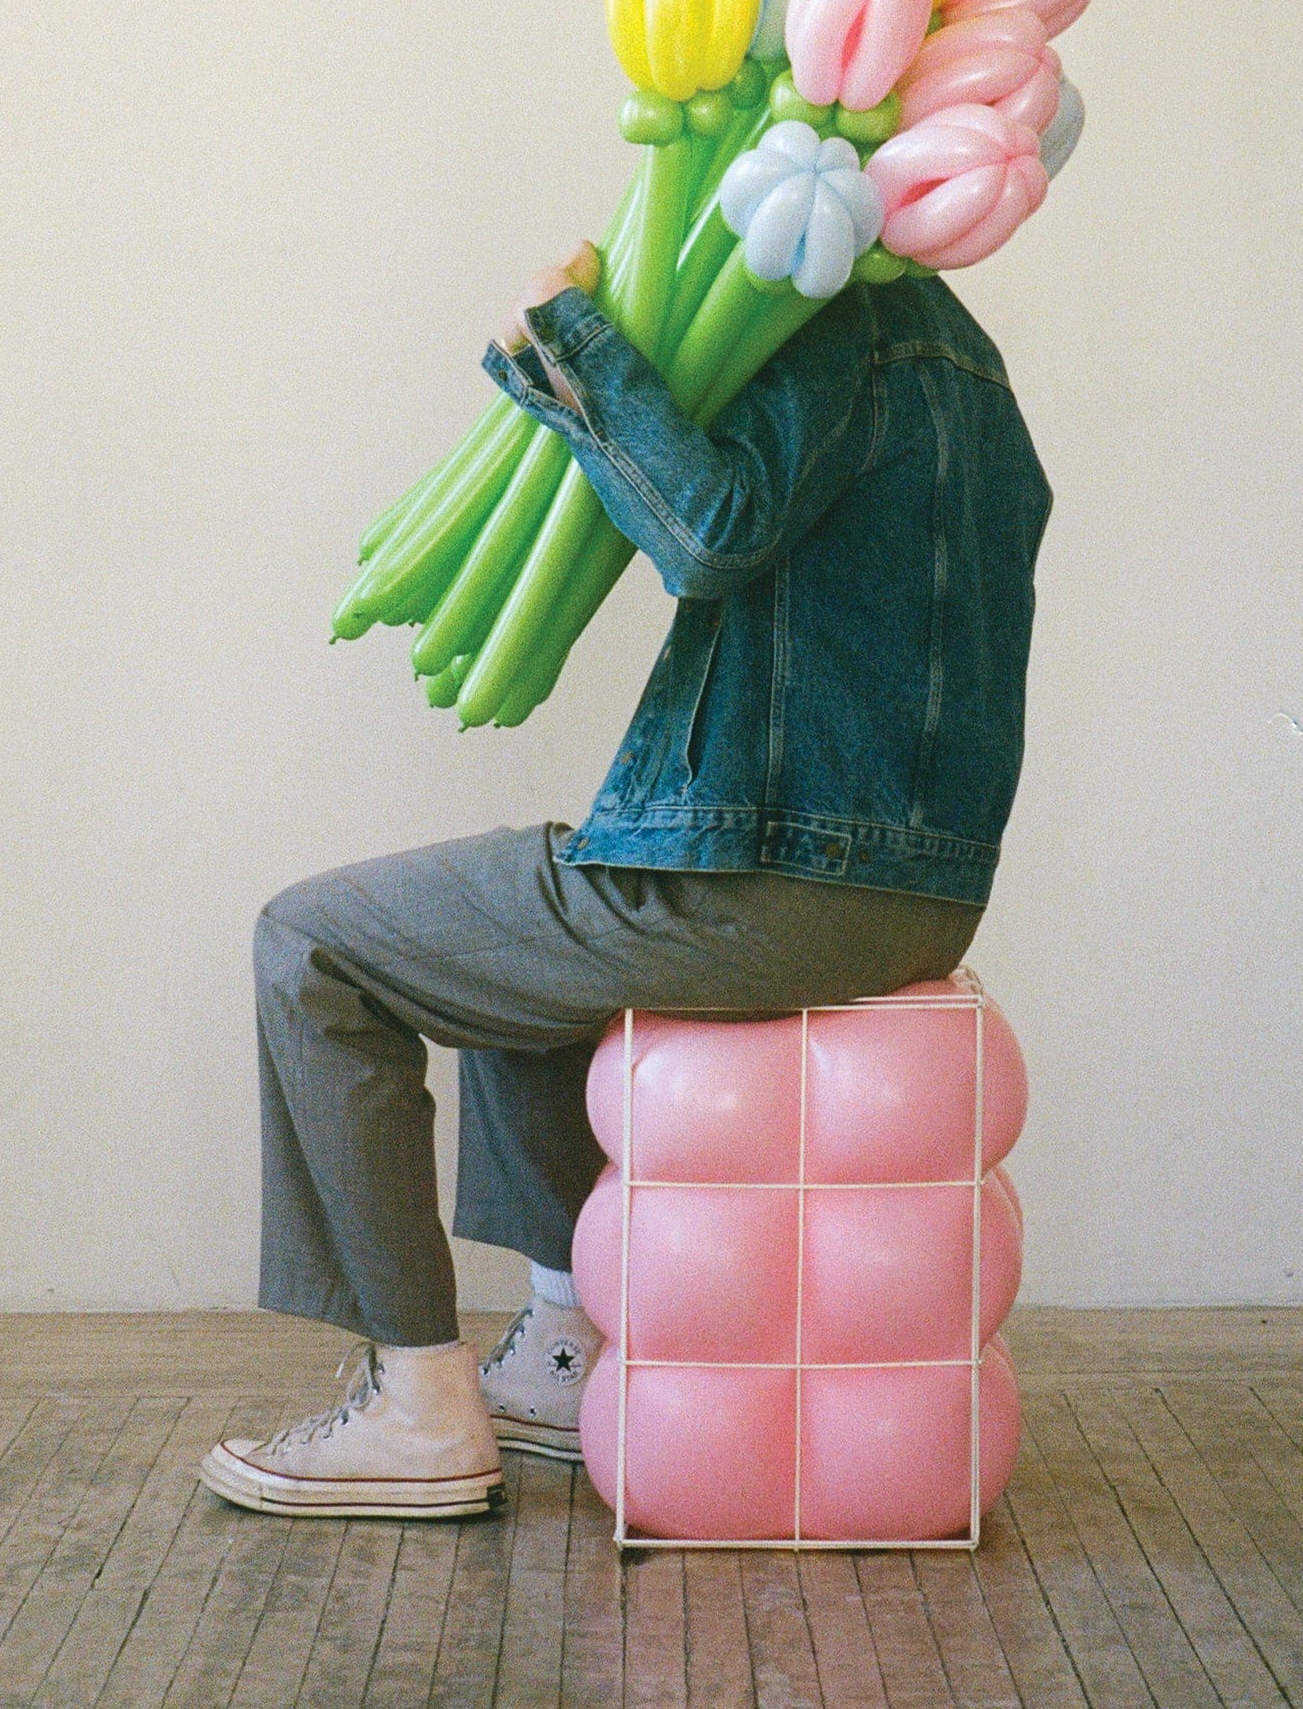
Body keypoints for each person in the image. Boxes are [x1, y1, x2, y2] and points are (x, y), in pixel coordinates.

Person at [199, 234, 1053, 1519]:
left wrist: (574, 339)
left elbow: (711, 532)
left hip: (779, 875)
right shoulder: (967, 358)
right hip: (916, 890)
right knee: (505, 936)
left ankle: (416, 1403)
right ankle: (561, 1349)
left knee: (309, 942)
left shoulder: (828, 322)